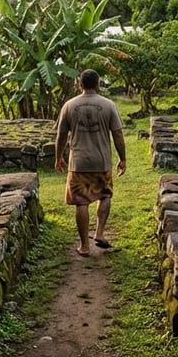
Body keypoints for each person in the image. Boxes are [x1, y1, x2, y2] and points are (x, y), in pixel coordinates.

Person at [55, 69, 126, 256]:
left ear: (80, 85)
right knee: (105, 195)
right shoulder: (108, 105)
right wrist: (122, 158)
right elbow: (118, 134)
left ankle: (84, 246)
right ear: (98, 84)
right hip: (102, 161)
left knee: (81, 202)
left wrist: (58, 157)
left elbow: (61, 135)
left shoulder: (69, 106)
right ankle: (100, 233)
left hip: (78, 162)